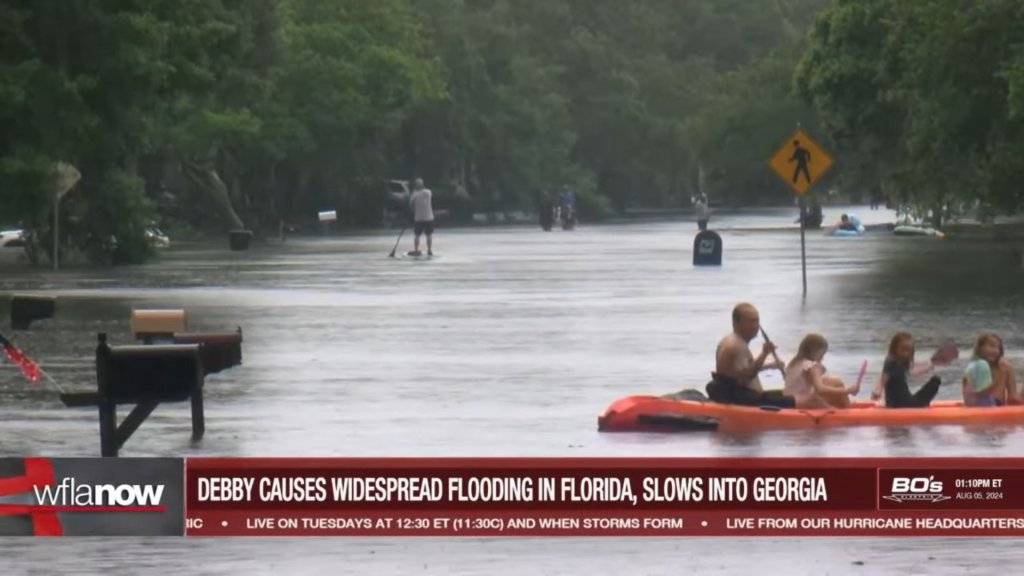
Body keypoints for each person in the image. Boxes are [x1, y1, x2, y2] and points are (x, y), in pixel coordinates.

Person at [706, 303, 794, 408]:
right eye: (751, 321)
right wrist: (764, 353)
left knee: (778, 394)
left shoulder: (731, 340)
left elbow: (737, 372)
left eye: (757, 321)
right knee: (792, 399)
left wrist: (770, 366)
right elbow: (745, 377)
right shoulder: (737, 346)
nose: (756, 326)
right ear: (736, 323)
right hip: (744, 400)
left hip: (738, 395)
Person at [784, 334, 859, 409]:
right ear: (815, 351)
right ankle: (848, 410)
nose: (822, 358)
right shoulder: (812, 365)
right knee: (838, 383)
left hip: (789, 402)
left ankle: (843, 408)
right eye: (822, 354)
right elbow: (820, 389)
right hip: (805, 402)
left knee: (834, 381)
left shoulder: (793, 363)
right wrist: (848, 391)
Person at [870, 332, 943, 408]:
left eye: (909, 350)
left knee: (933, 382)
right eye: (903, 349)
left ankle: (921, 405)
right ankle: (922, 408)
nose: (906, 353)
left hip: (899, 403)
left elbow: (914, 370)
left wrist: (932, 364)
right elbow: (883, 377)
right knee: (936, 380)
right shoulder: (891, 362)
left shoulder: (899, 361)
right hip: (905, 405)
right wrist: (877, 390)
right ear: (894, 348)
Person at [963, 334, 1003, 407]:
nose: (996, 351)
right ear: (980, 348)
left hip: (969, 406)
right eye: (992, 346)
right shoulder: (983, 364)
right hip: (982, 406)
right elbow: (984, 391)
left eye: (998, 348)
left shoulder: (972, 364)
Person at [409, 178, 435, 255]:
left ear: (416, 185)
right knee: (429, 235)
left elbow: (410, 204)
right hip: (429, 218)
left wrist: (413, 211)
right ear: (423, 185)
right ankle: (429, 250)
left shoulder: (414, 194)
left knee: (417, 235)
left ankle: (416, 250)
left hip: (418, 218)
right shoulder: (428, 192)